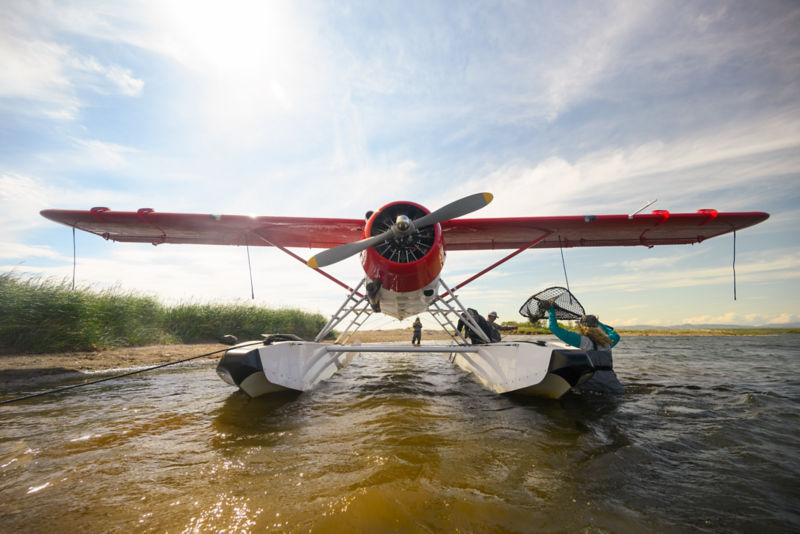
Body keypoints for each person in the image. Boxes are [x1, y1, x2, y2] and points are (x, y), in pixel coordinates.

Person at [546, 303, 623, 394]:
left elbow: (554, 328)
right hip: (613, 385)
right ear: (597, 326)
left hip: (591, 385)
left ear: (582, 327)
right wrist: (597, 322)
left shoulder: (582, 341)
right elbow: (615, 334)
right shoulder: (608, 341)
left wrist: (551, 310)